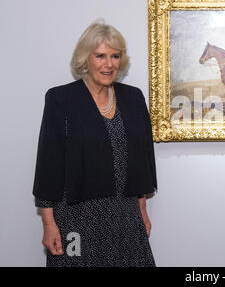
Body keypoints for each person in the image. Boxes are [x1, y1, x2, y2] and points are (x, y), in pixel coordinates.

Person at [32, 21, 158, 267]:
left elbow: (142, 158)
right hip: (76, 218)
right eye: (100, 56)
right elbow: (50, 163)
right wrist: (49, 224)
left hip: (125, 216)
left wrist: (142, 210)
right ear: (85, 59)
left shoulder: (133, 98)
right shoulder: (61, 99)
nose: (109, 64)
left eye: (115, 56)